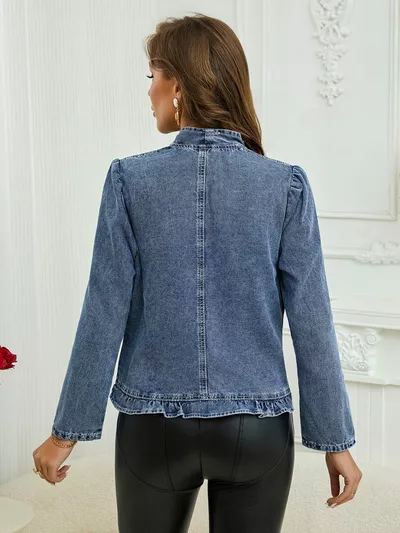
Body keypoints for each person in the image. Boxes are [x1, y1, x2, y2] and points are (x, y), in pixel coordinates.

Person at [32, 12, 362, 533]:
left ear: (179, 86)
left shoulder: (129, 180)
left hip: (154, 429)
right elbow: (313, 321)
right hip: (256, 428)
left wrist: (65, 432)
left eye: (153, 76)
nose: (149, 92)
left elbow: (104, 310)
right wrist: (335, 441)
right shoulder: (285, 186)